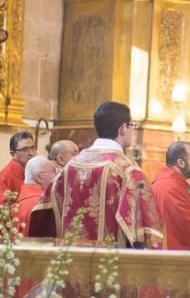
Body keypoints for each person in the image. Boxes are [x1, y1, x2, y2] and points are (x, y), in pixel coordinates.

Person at [40, 102, 162, 247]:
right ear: (123, 128)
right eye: (131, 125)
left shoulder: (69, 167)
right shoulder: (128, 171)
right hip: (109, 264)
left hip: (72, 261)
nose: (132, 130)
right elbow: (147, 227)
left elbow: (44, 213)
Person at [152, 141, 190, 251]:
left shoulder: (169, 181)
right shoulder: (171, 187)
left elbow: (183, 207)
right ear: (181, 162)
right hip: (171, 257)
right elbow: (187, 223)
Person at [0, 131, 34, 241]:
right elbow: (0, 214)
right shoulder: (5, 178)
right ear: (13, 153)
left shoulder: (30, 172)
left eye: (33, 147)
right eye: (25, 149)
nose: (31, 153)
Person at [17, 155, 57, 235]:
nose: (57, 175)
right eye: (54, 171)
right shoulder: (42, 204)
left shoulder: (21, 201)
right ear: (39, 177)